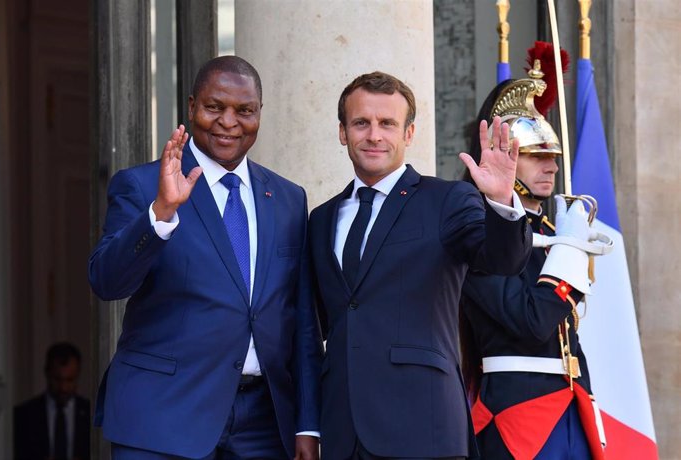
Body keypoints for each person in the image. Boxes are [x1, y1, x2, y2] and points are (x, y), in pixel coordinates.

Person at [88, 56, 322, 459]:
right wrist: (161, 213)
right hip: (162, 416)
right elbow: (107, 282)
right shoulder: (143, 186)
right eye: (215, 107)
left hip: (264, 425)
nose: (228, 122)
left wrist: (308, 422)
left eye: (244, 111)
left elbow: (300, 320)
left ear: (259, 114)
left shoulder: (287, 198)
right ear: (192, 105)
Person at [308, 71, 532, 460]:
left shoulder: (447, 201)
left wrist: (500, 202)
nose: (374, 135)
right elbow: (316, 326)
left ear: (409, 134)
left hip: (423, 429)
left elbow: (502, 259)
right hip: (341, 432)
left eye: (388, 124)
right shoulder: (322, 218)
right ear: (343, 132)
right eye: (361, 123)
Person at [459, 64, 607, 459]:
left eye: (553, 155)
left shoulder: (551, 228)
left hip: (574, 407)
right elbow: (532, 320)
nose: (552, 166)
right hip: (516, 417)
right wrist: (571, 252)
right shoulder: (477, 231)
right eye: (535, 155)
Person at [14, 342, 90, 460]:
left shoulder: (91, 414)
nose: (63, 387)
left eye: (69, 380)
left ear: (78, 375)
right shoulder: (24, 415)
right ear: (47, 373)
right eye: (57, 379)